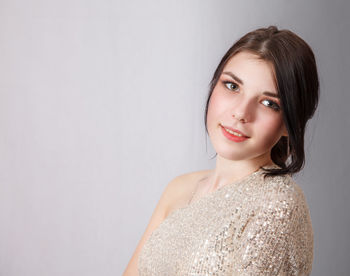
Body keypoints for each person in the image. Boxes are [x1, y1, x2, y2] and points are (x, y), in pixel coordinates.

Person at [123, 25, 319, 275]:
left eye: (269, 103)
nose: (240, 112)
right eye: (232, 86)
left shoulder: (279, 206)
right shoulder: (180, 187)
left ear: (289, 124)